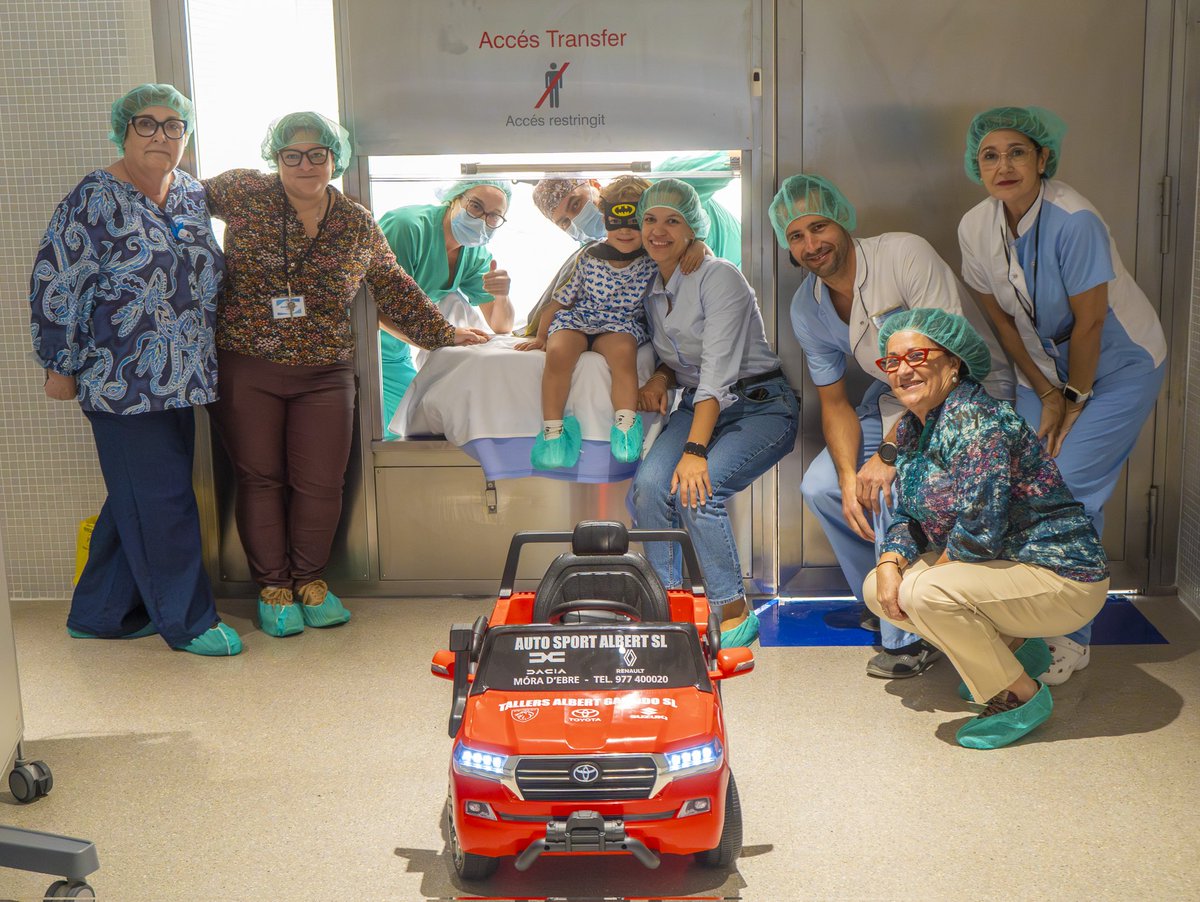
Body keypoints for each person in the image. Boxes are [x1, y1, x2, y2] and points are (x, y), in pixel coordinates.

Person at [203, 112, 487, 638]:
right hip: (248, 365)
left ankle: (310, 581)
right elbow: (175, 204)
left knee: (321, 482)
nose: (305, 164)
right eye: (292, 154)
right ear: (276, 158)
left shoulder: (354, 220)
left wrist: (444, 333)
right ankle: (273, 588)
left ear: (336, 159)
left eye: (317, 155)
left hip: (325, 372)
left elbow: (392, 284)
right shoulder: (243, 192)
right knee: (260, 478)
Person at [770, 173, 1013, 679]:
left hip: (958, 389)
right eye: (796, 236)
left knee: (884, 490)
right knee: (820, 488)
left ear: (843, 221)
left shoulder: (903, 254)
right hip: (894, 397)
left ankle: (910, 635)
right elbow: (833, 400)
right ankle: (883, 598)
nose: (812, 244)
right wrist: (845, 475)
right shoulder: (807, 307)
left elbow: (943, 362)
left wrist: (885, 457)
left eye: (819, 227)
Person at [28, 83, 240, 656]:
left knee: (139, 495)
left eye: (174, 126)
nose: (161, 135)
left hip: (183, 377)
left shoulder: (192, 196)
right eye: (147, 124)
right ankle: (188, 622)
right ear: (122, 130)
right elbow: (56, 282)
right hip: (119, 377)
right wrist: (59, 365)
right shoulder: (93, 197)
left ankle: (97, 614)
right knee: (164, 497)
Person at [958, 106, 1166, 683]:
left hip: (1122, 366)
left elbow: (1093, 323)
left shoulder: (1075, 220)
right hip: (1046, 371)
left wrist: (1071, 398)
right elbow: (1001, 322)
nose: (1004, 165)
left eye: (1017, 152)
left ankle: (1069, 635)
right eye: (990, 155)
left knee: (1068, 490)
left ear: (1043, 158)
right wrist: (1046, 388)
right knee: (1024, 483)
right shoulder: (975, 227)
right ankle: (1027, 613)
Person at [862, 308, 1109, 749]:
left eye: (917, 355)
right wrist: (888, 562)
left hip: (1062, 577)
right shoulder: (915, 429)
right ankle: (1015, 654)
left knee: (923, 594)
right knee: (879, 589)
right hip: (1007, 568)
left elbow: (978, 532)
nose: (903, 369)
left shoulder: (977, 423)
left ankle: (1020, 696)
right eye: (892, 362)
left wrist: (922, 584)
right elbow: (910, 514)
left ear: (954, 361)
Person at [631, 180, 799, 648]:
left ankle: (733, 611)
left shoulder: (718, 274)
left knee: (696, 492)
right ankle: (670, 608)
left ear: (694, 228)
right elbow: (682, 353)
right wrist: (662, 377)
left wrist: (694, 450)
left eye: (673, 220)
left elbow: (717, 374)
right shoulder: (650, 280)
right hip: (697, 402)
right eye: (650, 219)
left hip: (759, 405)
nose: (658, 230)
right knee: (647, 490)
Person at [517, 176, 657, 468]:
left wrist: (697, 249)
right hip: (580, 318)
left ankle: (626, 429)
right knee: (558, 352)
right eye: (616, 223)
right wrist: (542, 337)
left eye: (633, 222)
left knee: (624, 354)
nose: (625, 232)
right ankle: (553, 433)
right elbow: (560, 300)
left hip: (620, 324)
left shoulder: (653, 260)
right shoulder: (589, 257)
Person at [376, 180, 514, 430]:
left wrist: (502, 295)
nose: (482, 219)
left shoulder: (474, 254)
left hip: (396, 351)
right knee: (396, 428)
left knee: (411, 426)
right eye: (475, 206)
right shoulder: (408, 228)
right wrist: (441, 338)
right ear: (454, 200)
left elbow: (501, 325)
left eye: (494, 216)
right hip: (365, 347)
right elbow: (373, 310)